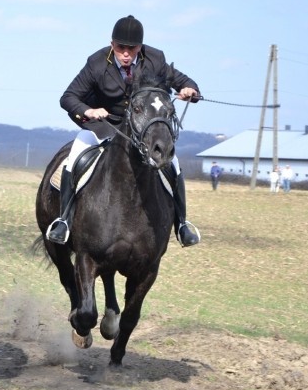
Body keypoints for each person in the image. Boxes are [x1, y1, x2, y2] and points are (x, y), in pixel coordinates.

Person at [45, 15, 201, 247]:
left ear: (140, 47)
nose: (126, 53)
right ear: (112, 44)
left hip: (142, 130)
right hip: (105, 125)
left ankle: (181, 224)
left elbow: (182, 80)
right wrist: (88, 110)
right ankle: (64, 219)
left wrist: (190, 90)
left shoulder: (155, 59)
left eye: (132, 48)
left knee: (173, 164)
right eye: (121, 48)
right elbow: (68, 97)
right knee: (75, 155)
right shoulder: (97, 63)